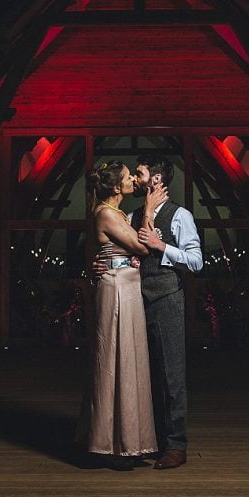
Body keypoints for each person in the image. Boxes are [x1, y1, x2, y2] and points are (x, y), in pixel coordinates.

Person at [93, 154, 203, 470]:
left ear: (155, 179)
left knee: (171, 374)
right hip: (134, 301)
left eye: (139, 175)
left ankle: (176, 446)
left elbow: (196, 261)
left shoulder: (179, 215)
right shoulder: (129, 214)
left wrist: (160, 245)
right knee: (143, 374)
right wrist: (101, 262)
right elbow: (116, 248)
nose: (136, 180)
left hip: (167, 298)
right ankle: (147, 440)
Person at [77, 160, 166, 469]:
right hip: (115, 289)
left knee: (129, 360)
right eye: (128, 178)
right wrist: (149, 210)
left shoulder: (114, 213)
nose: (132, 181)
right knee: (114, 359)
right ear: (116, 188)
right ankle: (112, 446)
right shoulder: (104, 213)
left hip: (126, 287)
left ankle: (130, 441)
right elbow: (142, 248)